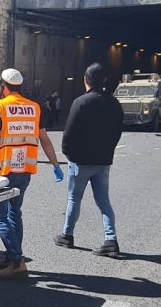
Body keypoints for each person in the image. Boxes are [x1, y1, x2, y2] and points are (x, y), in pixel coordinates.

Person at [0, 68, 63, 279]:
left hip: (2, 170)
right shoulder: (34, 108)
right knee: (14, 212)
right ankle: (12, 256)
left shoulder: (0, 106)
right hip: (24, 170)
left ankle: (17, 261)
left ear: (3, 86)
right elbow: (44, 139)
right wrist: (55, 165)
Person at [53, 63, 124, 257]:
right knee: (104, 202)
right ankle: (111, 239)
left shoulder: (81, 102)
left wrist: (69, 154)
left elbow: (69, 133)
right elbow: (118, 131)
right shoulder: (114, 103)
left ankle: (67, 235)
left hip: (81, 161)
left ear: (86, 79)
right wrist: (108, 151)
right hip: (103, 162)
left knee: (74, 198)